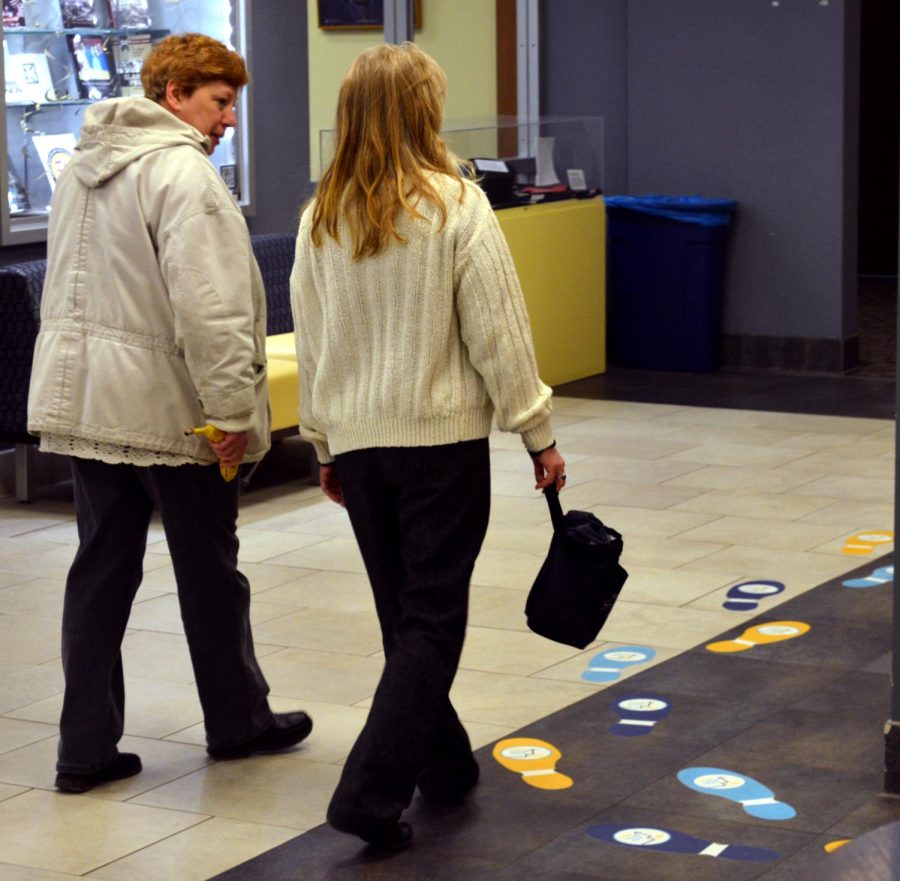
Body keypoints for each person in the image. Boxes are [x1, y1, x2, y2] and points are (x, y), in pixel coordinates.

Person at [290, 42, 566, 850]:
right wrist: (537, 433)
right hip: (439, 443)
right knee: (433, 617)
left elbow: (313, 341)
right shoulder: (455, 205)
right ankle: (370, 794)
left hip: (362, 445)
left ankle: (442, 761)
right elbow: (500, 336)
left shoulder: (320, 216)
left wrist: (324, 444)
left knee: (401, 610)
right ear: (425, 111)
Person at [27, 33, 312, 794]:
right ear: (174, 93)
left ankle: (83, 748)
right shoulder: (182, 175)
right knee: (212, 575)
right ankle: (239, 721)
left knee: (98, 574)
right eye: (219, 102)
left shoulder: (82, 169)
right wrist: (232, 413)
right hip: (169, 412)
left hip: (89, 404)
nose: (227, 120)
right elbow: (212, 309)